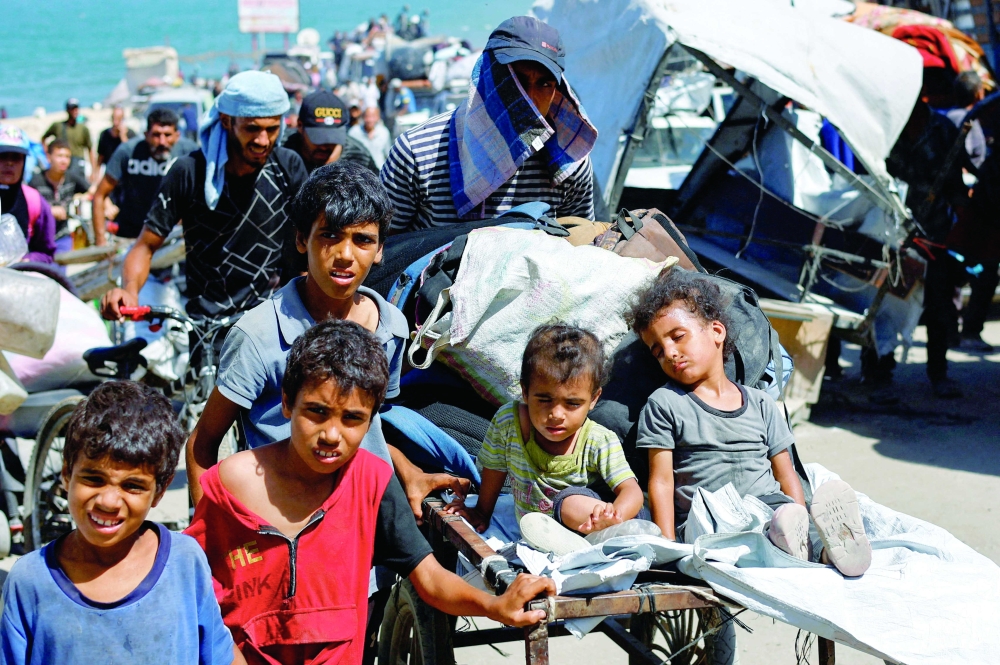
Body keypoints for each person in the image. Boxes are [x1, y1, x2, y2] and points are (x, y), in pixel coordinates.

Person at [186, 320, 555, 663]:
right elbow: (194, 593)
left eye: (352, 419)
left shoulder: (372, 481)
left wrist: (493, 605)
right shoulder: (230, 484)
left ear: (372, 418)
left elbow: (428, 578)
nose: (331, 435)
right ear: (286, 403)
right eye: (316, 412)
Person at [632, 267, 872, 577]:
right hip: (712, 516)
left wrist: (800, 515)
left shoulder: (761, 403)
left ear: (717, 332)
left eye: (678, 337)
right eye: (658, 351)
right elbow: (662, 482)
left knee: (785, 518)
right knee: (743, 536)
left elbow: (786, 474)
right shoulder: (664, 404)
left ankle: (830, 547)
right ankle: (788, 543)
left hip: (768, 505)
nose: (670, 353)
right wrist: (668, 545)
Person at [0, 381, 241, 665]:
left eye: (133, 486)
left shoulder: (184, 561)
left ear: (159, 493)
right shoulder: (30, 579)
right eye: (93, 479)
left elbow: (219, 654)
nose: (109, 501)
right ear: (67, 475)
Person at [99, 71, 307, 325]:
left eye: (272, 129)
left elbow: (308, 240)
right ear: (227, 121)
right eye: (252, 129)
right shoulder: (189, 172)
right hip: (209, 328)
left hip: (275, 323)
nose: (263, 140)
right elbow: (145, 246)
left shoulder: (288, 166)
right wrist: (129, 291)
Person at [382, 16, 597, 233]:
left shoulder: (568, 162)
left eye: (544, 84)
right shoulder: (417, 152)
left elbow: (580, 243)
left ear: (556, 91)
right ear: (488, 75)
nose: (529, 98)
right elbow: (381, 247)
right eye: (517, 82)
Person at [448, 324, 643, 539]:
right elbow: (494, 468)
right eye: (544, 400)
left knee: (568, 503)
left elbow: (631, 491)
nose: (557, 414)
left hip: (595, 523)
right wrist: (482, 512)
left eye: (572, 403)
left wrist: (614, 515)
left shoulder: (598, 440)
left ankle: (606, 538)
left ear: (593, 399)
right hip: (545, 534)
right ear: (525, 391)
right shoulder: (509, 422)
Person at [886, 100, 969, 397]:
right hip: (892, 230)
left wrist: (962, 228)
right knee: (885, 301)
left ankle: (939, 373)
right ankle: (879, 371)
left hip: (934, 232)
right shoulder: (889, 127)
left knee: (938, 305)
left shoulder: (943, 129)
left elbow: (956, 186)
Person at [92, 107, 197, 244]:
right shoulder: (128, 152)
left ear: (177, 135)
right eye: (156, 135)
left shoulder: (190, 152)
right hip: (132, 234)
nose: (162, 142)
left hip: (173, 236)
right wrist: (100, 241)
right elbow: (99, 195)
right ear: (146, 134)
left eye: (167, 135)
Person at [282, 90, 379, 174]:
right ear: (300, 125)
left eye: (333, 139)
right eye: (318, 138)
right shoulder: (282, 150)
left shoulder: (360, 158)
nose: (324, 147)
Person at [0, 124, 56, 264]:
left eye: (16, 157)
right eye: (3, 156)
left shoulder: (34, 201)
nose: (9, 163)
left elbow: (47, 252)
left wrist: (28, 260)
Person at [29, 139, 89, 254]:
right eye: (60, 156)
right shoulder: (36, 181)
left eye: (67, 157)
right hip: (40, 239)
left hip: (63, 236)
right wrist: (48, 210)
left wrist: (82, 197)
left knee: (59, 270)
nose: (64, 161)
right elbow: (27, 208)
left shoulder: (71, 178)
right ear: (49, 157)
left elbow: (94, 191)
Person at [41, 98, 94, 180]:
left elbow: (90, 149)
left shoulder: (83, 129)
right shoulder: (58, 126)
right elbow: (44, 138)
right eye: (72, 109)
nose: (75, 111)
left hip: (77, 161)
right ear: (67, 110)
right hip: (62, 160)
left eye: (76, 108)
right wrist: (47, 154)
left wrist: (93, 170)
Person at [94, 105, 136, 174]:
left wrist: (123, 137)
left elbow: (132, 155)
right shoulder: (104, 135)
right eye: (114, 119)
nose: (115, 122)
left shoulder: (130, 134)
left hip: (126, 172)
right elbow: (100, 157)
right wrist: (96, 173)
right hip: (110, 172)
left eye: (118, 119)